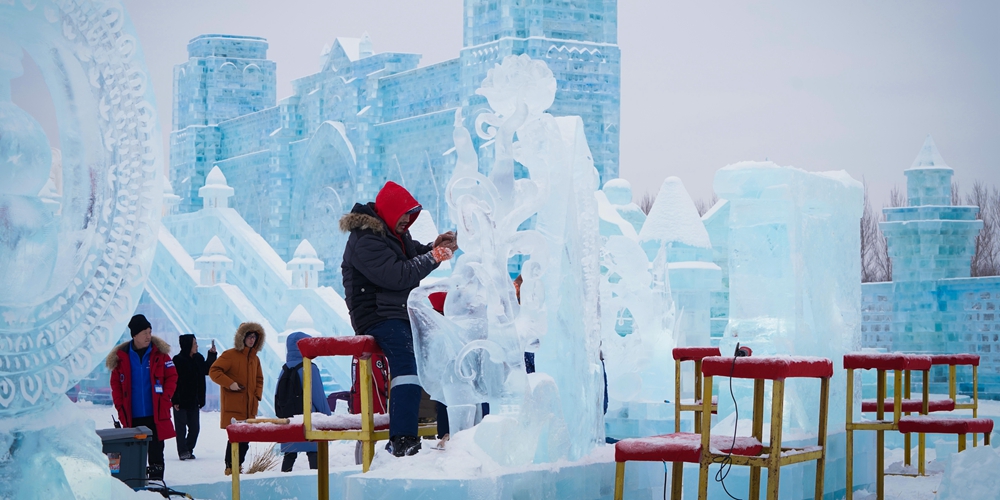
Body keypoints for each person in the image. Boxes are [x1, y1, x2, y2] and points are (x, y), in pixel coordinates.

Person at [340, 180, 457, 457]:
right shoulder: (365, 239)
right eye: (404, 213)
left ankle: (450, 431)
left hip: (399, 312)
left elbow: (413, 254)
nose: (408, 220)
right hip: (377, 315)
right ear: (390, 211)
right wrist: (433, 257)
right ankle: (402, 437)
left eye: (411, 214)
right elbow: (398, 275)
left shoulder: (390, 234)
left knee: (443, 349)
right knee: (406, 362)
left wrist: (433, 247)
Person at [107, 314, 177, 481]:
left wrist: (166, 398)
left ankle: (156, 485)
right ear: (134, 335)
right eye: (144, 332)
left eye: (150, 331)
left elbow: (172, 376)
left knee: (156, 454)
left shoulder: (160, 355)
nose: (148, 336)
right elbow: (115, 384)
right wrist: (119, 405)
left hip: (156, 415)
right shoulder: (122, 358)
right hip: (133, 417)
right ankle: (137, 487)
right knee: (134, 455)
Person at [209, 322, 265, 475]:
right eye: (249, 337)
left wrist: (256, 396)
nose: (252, 340)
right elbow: (214, 371)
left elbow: (259, 379)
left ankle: (238, 466)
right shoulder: (230, 355)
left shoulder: (255, 359)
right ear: (242, 337)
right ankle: (230, 468)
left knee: (245, 440)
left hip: (249, 407)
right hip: (234, 407)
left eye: (254, 337)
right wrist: (230, 384)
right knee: (235, 438)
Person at [276, 331, 331, 472]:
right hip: (308, 419)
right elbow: (318, 396)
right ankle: (317, 484)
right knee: (314, 454)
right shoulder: (310, 368)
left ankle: (284, 481)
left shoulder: (284, 369)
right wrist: (327, 416)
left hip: (289, 420)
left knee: (289, 455)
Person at [171, 334, 217, 460]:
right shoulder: (177, 360)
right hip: (180, 401)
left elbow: (207, 370)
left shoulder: (198, 358)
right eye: (194, 343)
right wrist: (175, 399)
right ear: (188, 345)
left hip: (194, 400)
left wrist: (212, 355)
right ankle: (182, 452)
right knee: (181, 430)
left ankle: (188, 449)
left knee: (195, 428)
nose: (196, 346)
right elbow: (172, 381)